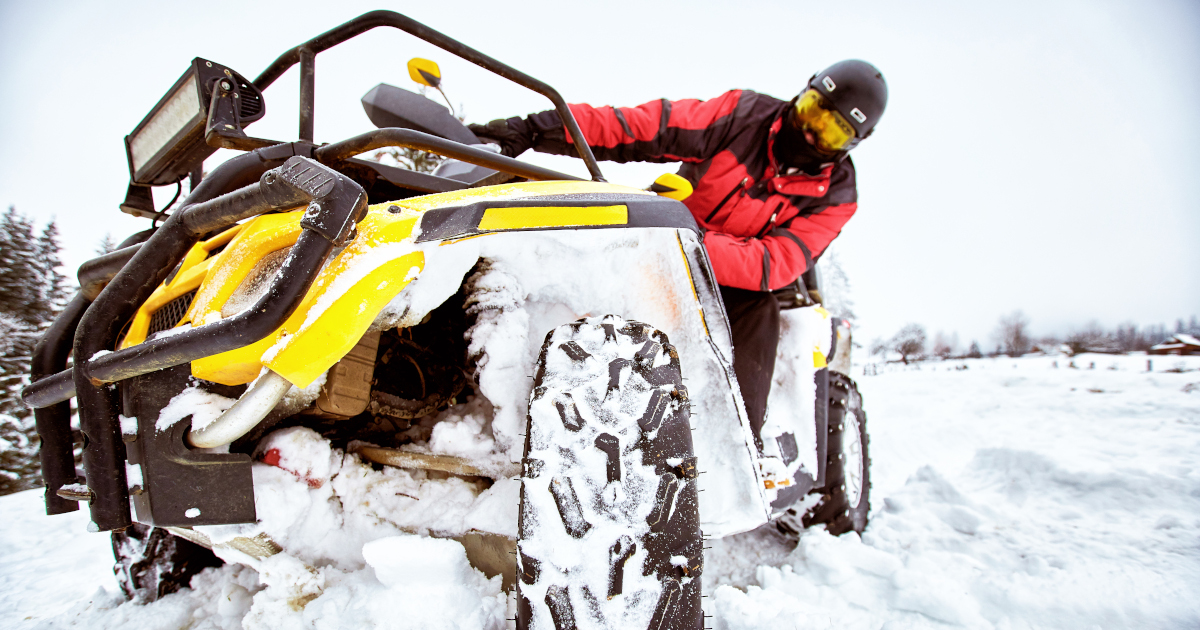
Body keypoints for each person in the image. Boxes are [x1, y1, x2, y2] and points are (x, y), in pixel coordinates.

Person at [470, 60, 888, 449]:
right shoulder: (745, 116)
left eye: (830, 131)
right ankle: (519, 390)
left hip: (730, 278)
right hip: (667, 241)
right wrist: (533, 129)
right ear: (804, 93)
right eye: (812, 110)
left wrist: (691, 243)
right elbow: (643, 127)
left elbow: (775, 262)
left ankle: (733, 446)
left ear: (852, 144)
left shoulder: (838, 196)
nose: (811, 132)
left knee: (761, 311)